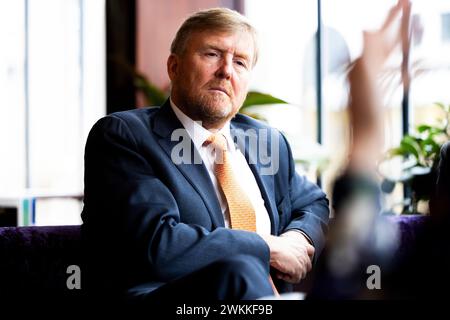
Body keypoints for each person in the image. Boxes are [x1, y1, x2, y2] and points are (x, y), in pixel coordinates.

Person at [81, 7, 329, 304]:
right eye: (212, 54)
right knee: (240, 271)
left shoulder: (267, 141)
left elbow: (314, 202)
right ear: (174, 67)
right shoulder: (124, 137)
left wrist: (298, 239)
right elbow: (158, 245)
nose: (226, 70)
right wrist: (268, 248)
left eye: (240, 62)